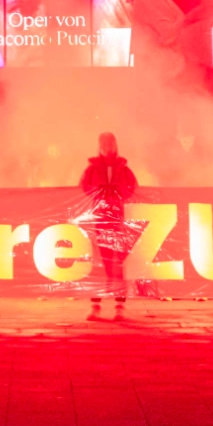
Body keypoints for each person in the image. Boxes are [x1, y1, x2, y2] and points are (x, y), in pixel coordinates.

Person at [79, 132, 138, 319]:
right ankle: (95, 306)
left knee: (118, 262)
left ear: (115, 145)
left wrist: (116, 196)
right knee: (99, 263)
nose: (107, 147)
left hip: (117, 220)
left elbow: (132, 187)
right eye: (103, 143)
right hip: (100, 219)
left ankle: (119, 307)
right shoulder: (92, 169)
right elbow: (84, 186)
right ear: (99, 146)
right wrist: (101, 196)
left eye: (110, 143)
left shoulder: (123, 168)